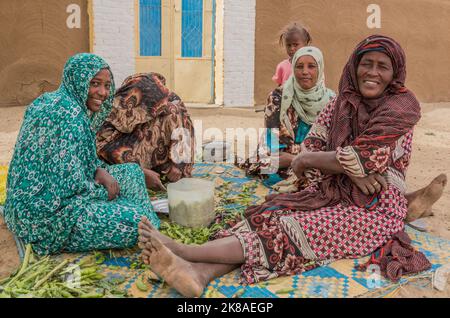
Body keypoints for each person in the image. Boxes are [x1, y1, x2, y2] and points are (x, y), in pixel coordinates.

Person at [136, 35, 446, 297]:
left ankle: (186, 252)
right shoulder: (340, 103)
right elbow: (311, 150)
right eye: (367, 63)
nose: (372, 72)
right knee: (270, 213)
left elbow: (366, 158)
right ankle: (199, 274)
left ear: (395, 72)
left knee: (298, 229)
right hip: (329, 188)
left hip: (376, 205)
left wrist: (325, 160)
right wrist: (333, 163)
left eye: (383, 66)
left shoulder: (400, 109)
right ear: (355, 65)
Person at [4, 53, 160, 256]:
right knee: (134, 223)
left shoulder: (50, 100)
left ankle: (142, 219)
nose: (103, 92)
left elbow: (70, 162)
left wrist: (97, 170)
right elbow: (69, 189)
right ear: (77, 79)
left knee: (131, 172)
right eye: (94, 83)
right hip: (45, 218)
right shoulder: (71, 117)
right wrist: (105, 193)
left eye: (106, 85)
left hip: (22, 206)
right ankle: (142, 219)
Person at [241, 46, 335, 190]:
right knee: (271, 168)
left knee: (324, 178)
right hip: (282, 157)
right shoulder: (278, 97)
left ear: (320, 69)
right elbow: (275, 146)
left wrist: (305, 159)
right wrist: (301, 159)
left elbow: (332, 145)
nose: (305, 72)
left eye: (311, 66)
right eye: (299, 66)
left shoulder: (332, 100)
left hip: (315, 160)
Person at [96, 73, 195, 191]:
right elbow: (102, 146)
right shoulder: (115, 105)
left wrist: (179, 165)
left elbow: (183, 133)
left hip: (160, 165)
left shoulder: (167, 103)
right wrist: (140, 173)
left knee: (172, 112)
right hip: (118, 167)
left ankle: (162, 171)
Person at [272, 22, 312, 86]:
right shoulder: (282, 66)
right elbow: (279, 88)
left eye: (295, 45)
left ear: (305, 44)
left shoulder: (312, 65)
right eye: (288, 45)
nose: (292, 48)